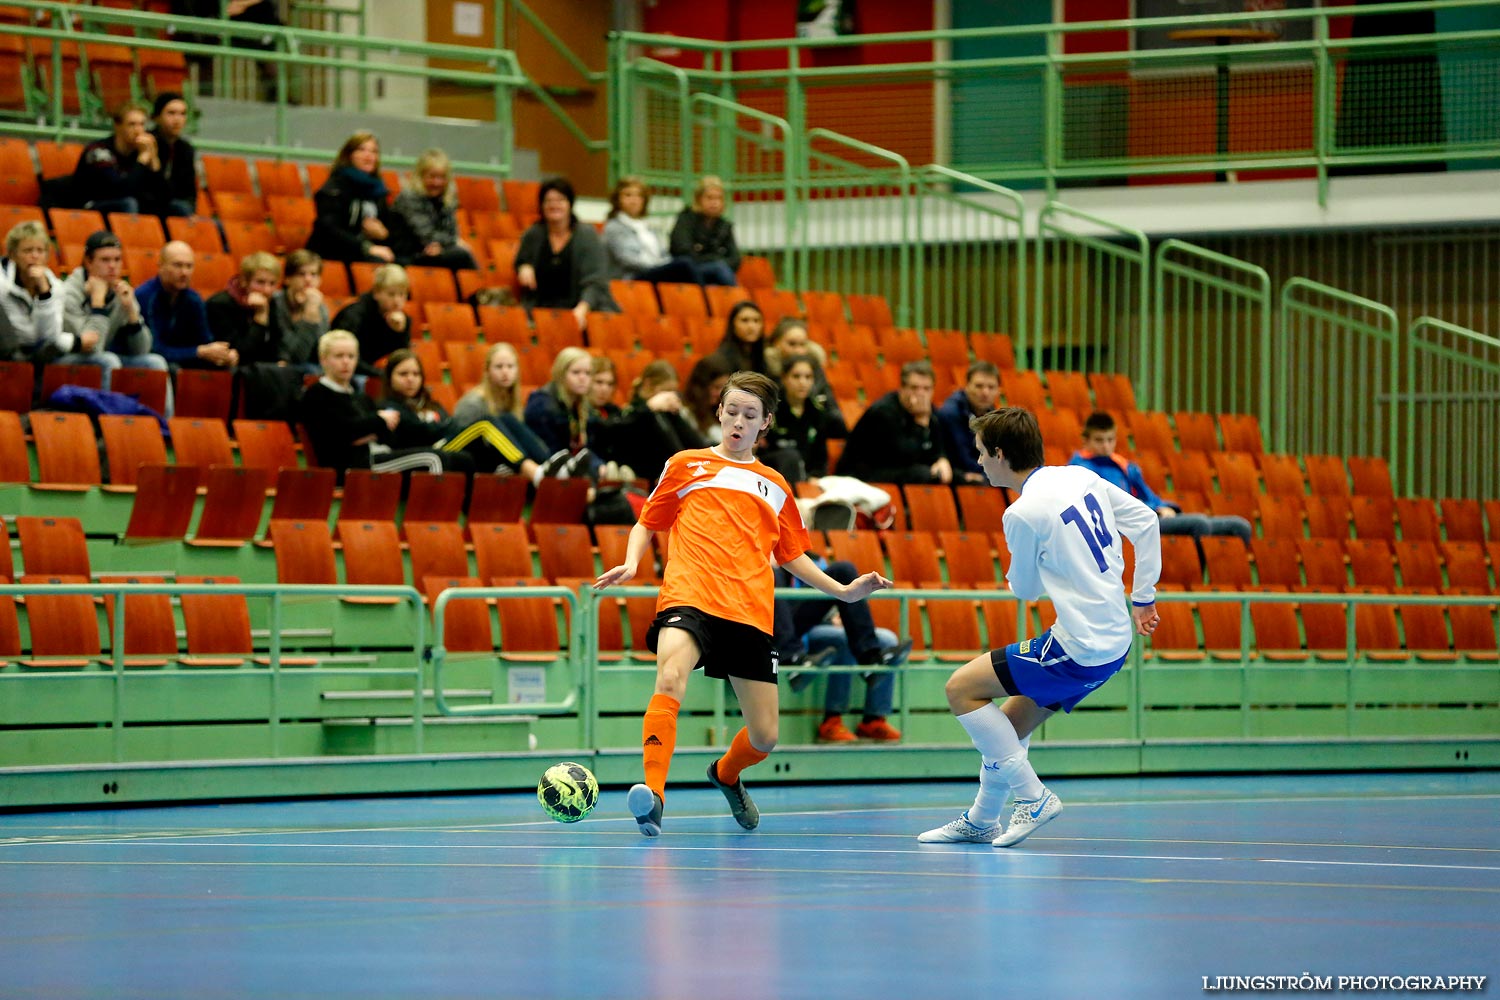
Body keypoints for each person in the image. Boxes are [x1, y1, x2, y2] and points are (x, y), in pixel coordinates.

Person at [594, 370, 893, 838]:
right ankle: (653, 796)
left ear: (765, 423)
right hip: (689, 594)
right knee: (670, 677)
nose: (737, 421)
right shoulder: (685, 465)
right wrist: (632, 562)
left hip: (749, 609)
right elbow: (647, 522)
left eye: (749, 415)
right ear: (718, 413)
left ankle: (726, 773)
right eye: (731, 411)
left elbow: (792, 556)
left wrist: (843, 591)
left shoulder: (775, 485)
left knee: (764, 737)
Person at [919, 407, 1161, 848]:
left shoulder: (1023, 512)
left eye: (980, 454)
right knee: (1005, 733)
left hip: (1079, 647)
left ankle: (1033, 797)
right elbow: (1146, 522)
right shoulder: (1078, 476)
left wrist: (1027, 560)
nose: (977, 463)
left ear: (999, 453)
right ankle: (982, 818)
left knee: (960, 689)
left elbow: (1025, 589)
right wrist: (1143, 596)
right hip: (1114, 644)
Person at [773, 559, 912, 743]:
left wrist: (834, 615)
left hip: (812, 624)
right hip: (776, 625)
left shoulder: (813, 558)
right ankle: (831, 718)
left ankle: (870, 661)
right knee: (841, 640)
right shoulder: (765, 551)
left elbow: (825, 594)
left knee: (844, 570)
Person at [298, 330, 464, 481]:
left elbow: (388, 434)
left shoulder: (359, 395)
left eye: (351, 356)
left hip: (378, 455)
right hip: (353, 465)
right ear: (324, 360)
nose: (346, 362)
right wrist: (376, 421)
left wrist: (367, 430)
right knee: (433, 458)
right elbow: (337, 436)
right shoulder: (317, 394)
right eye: (339, 356)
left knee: (456, 458)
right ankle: (430, 514)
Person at [1069, 411, 1252, 547]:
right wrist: (1154, 511)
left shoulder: (1125, 466)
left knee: (1240, 526)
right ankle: (1197, 584)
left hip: (1148, 516)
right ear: (1085, 440)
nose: (1106, 446)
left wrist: (1164, 507)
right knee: (1199, 524)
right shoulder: (1080, 469)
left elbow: (1151, 497)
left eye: (1110, 440)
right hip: (1126, 525)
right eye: (1099, 440)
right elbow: (1106, 506)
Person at [446, 341, 587, 481]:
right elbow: (462, 439)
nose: (505, 372)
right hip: (456, 453)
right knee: (489, 423)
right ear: (487, 371)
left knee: (507, 419)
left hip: (492, 458)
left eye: (510, 366)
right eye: (499, 367)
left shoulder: (511, 403)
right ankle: (536, 472)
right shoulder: (473, 403)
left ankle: (551, 468)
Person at [60, 231, 170, 398]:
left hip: (100, 358)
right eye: (105, 260)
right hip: (65, 362)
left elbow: (141, 349)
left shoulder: (119, 292)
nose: (113, 266)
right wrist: (98, 303)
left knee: (155, 363)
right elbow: (91, 348)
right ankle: (106, 419)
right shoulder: (69, 293)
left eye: (117, 259)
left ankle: (163, 423)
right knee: (108, 360)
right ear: (88, 262)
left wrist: (131, 312)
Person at [514, 177, 617, 330]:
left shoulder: (587, 235)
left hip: (582, 309)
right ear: (541, 206)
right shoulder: (533, 234)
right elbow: (520, 261)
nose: (554, 205)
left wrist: (582, 310)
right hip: (541, 311)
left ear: (570, 204)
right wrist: (524, 266)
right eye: (548, 201)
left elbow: (595, 281)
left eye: (560, 200)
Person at [837, 359, 955, 486]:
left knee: (957, 477)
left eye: (926, 389)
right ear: (902, 388)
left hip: (899, 470)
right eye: (914, 388)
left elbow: (937, 446)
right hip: (865, 473)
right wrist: (920, 424)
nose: (921, 394)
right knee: (923, 474)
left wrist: (942, 459)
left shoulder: (930, 411)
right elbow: (904, 456)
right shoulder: (883, 412)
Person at [594, 359, 706, 487]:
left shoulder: (615, 410)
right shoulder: (635, 412)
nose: (668, 397)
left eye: (672, 392)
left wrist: (676, 414)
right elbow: (608, 429)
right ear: (648, 385)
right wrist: (650, 407)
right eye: (665, 391)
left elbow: (697, 444)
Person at [135, 241, 237, 371]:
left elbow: (205, 341)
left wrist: (223, 354)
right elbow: (153, 348)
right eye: (178, 265)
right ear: (161, 266)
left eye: (189, 266)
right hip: (151, 360)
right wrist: (198, 352)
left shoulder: (193, 299)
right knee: (171, 368)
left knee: (224, 367)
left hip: (184, 357)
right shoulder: (145, 296)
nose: (184, 272)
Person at [306, 131, 402, 265]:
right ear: (349, 155)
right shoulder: (334, 188)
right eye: (362, 150)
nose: (369, 156)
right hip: (334, 252)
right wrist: (367, 247)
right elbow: (329, 229)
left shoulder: (379, 190)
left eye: (374, 152)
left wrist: (384, 234)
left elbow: (390, 229)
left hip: (366, 252)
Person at [764, 353, 847, 485]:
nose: (802, 382)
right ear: (784, 378)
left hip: (810, 480)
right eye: (796, 376)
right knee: (790, 456)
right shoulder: (770, 410)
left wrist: (815, 478)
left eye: (808, 377)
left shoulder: (818, 412)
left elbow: (820, 456)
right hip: (775, 478)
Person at [391, 148, 477, 271]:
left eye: (442, 177)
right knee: (462, 255)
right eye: (432, 176)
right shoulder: (409, 197)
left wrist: (443, 246)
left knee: (461, 254)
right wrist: (452, 242)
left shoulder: (446, 199)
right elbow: (427, 236)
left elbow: (452, 232)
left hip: (434, 252)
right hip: (409, 255)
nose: (437, 182)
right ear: (420, 176)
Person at [601, 176, 698, 283]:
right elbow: (627, 260)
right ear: (618, 199)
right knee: (685, 264)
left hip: (654, 272)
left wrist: (663, 266)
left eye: (639, 196)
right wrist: (658, 266)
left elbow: (664, 254)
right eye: (628, 195)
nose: (634, 200)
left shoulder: (649, 227)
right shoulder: (614, 227)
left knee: (705, 271)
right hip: (632, 277)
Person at [72, 101, 161, 217]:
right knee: (129, 203)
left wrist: (154, 161)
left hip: (122, 204)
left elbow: (163, 196)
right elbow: (120, 191)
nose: (138, 130)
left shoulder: (139, 151)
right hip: (90, 207)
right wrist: (142, 160)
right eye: (132, 124)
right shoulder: (98, 151)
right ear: (117, 126)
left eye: (142, 124)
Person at [0, 221, 67, 369]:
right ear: (13, 255)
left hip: (40, 354)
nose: (35, 256)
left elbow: (50, 338)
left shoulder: (56, 287)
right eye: (28, 250)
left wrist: (44, 294)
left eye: (40, 250)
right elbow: (25, 336)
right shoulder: (2, 283)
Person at [329, 263, 411, 377]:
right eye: (391, 294)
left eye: (402, 294)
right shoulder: (354, 315)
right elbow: (344, 357)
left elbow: (402, 358)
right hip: (343, 369)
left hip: (369, 370)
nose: (397, 301)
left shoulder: (402, 320)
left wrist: (400, 332)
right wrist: (381, 374)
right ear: (376, 293)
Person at [204, 250, 284, 366]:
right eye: (260, 282)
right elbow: (240, 352)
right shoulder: (220, 304)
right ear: (244, 281)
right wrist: (260, 318)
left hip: (262, 369)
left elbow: (277, 345)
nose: (267, 290)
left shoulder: (271, 303)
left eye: (272, 284)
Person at [524, 346, 603, 462]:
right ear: (561, 374)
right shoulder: (542, 405)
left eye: (588, 373)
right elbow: (551, 453)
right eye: (576, 372)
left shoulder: (580, 405)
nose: (582, 378)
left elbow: (583, 448)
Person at [936, 360, 1001, 485]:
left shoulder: (996, 418)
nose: (985, 392)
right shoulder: (950, 413)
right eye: (979, 386)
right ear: (967, 386)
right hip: (956, 476)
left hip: (982, 475)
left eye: (991, 387)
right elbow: (962, 457)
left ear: (998, 390)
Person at [668, 174, 740, 286]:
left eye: (718, 198)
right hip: (689, 272)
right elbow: (682, 251)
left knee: (720, 272)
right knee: (719, 269)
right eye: (710, 198)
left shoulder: (725, 225)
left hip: (717, 272)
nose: (714, 203)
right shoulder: (686, 219)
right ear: (699, 199)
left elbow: (735, 259)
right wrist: (715, 259)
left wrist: (717, 261)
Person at [270, 249, 328, 372]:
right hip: (276, 364)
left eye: (313, 274)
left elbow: (320, 353)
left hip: (310, 365)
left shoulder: (320, 307)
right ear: (287, 279)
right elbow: (291, 355)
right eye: (301, 274)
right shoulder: (276, 303)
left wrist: (311, 310)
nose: (308, 279)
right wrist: (308, 318)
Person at [764, 317, 834, 406]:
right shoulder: (764, 370)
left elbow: (832, 408)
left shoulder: (815, 368)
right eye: (792, 344)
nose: (798, 351)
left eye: (802, 344)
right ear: (776, 343)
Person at [148, 92, 197, 218]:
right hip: (150, 205)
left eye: (182, 114)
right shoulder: (148, 141)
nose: (177, 119)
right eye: (171, 113)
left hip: (177, 205)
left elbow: (189, 191)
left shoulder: (186, 149)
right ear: (157, 117)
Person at [705, 300, 770, 376]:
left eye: (756, 321)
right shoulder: (717, 363)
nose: (751, 327)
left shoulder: (764, 360)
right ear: (732, 324)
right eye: (744, 320)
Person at [682, 354, 731, 444]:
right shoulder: (686, 414)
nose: (720, 394)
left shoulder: (722, 410)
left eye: (724, 388)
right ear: (701, 387)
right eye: (716, 387)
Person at [587, 355, 621, 422]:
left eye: (610, 384)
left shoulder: (614, 412)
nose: (605, 389)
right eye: (599, 382)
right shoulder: (575, 413)